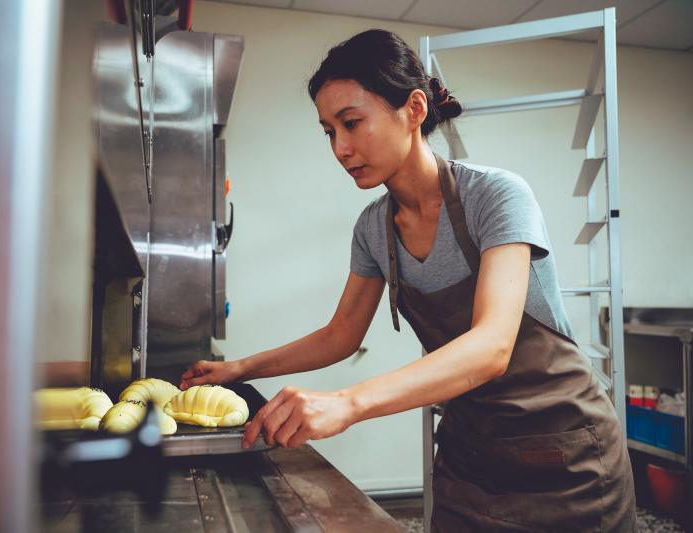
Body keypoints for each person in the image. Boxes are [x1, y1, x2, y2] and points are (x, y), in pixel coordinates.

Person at [180, 29, 636, 531]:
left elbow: (492, 346)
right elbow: (340, 335)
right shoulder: (374, 228)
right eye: (329, 131)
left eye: (352, 123)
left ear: (414, 109)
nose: (340, 147)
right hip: (470, 454)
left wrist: (348, 403)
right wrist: (240, 370)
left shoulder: (497, 197)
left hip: (563, 454)